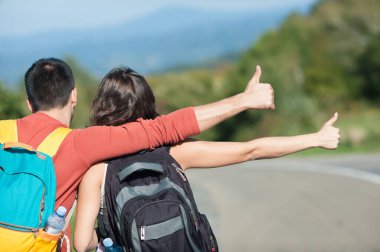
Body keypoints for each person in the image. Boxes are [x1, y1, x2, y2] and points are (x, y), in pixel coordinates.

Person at [0, 58, 274, 251]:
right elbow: (165, 128)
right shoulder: (78, 143)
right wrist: (242, 101)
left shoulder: (3, 131)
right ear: (74, 96)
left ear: (28, 102)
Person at [73, 66, 340, 251]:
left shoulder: (98, 169)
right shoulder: (175, 152)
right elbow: (252, 150)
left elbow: (81, 243)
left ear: (103, 108)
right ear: (148, 104)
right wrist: (316, 138)